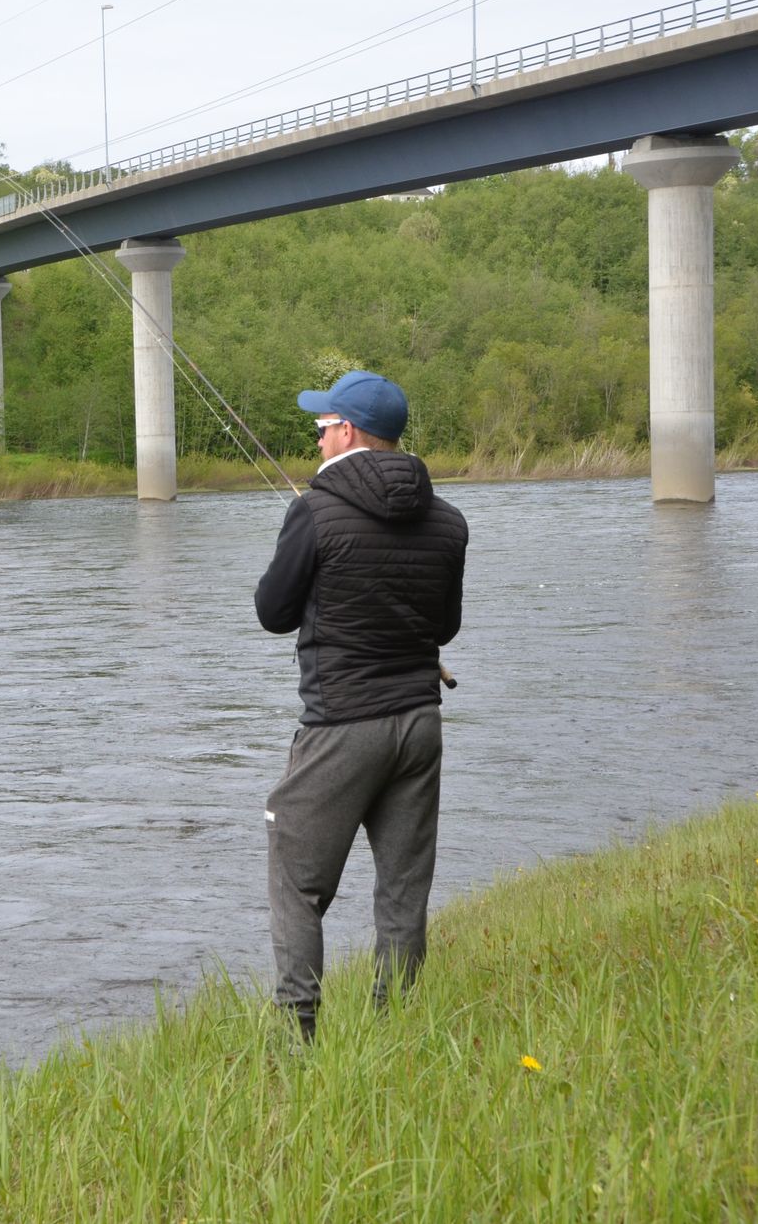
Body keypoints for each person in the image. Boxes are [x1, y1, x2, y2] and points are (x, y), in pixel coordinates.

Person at [254, 370, 468, 1043]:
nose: (316, 439)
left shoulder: (313, 510)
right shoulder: (449, 520)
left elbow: (273, 612)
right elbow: (445, 624)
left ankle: (298, 1039)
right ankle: (396, 1029)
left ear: (347, 431)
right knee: (403, 891)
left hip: (342, 726)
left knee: (296, 879)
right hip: (419, 722)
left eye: (321, 427)